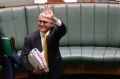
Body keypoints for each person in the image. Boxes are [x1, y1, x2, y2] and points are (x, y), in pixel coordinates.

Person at [20, 5, 66, 79]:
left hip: (55, 71)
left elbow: (62, 30)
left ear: (51, 24)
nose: (41, 24)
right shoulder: (29, 38)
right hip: (37, 74)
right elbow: (23, 57)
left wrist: (54, 19)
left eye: (45, 22)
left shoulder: (54, 34)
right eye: (40, 21)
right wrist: (33, 70)